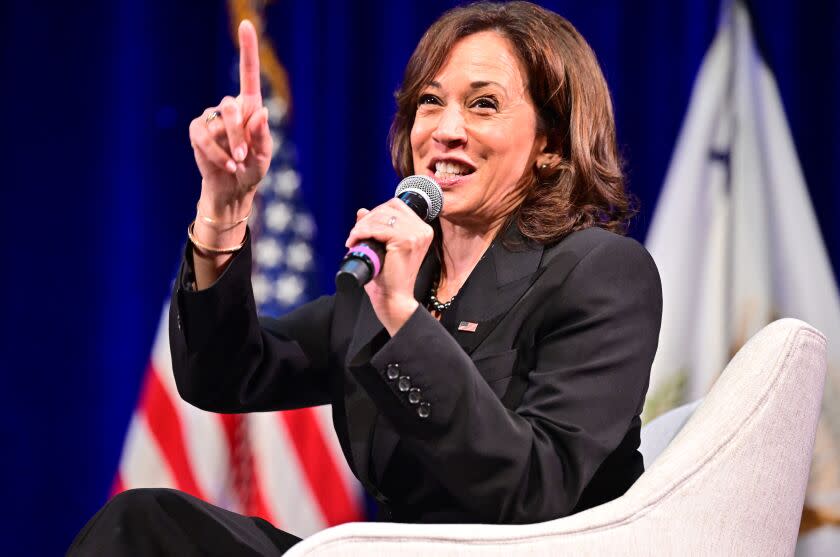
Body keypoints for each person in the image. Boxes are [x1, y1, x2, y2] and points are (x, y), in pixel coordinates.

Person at [69, 2, 661, 555]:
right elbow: (223, 375)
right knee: (142, 526)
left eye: (483, 105)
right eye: (431, 102)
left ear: (549, 146)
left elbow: (539, 489)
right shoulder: (383, 281)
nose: (445, 129)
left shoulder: (599, 272)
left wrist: (401, 318)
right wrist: (224, 209)